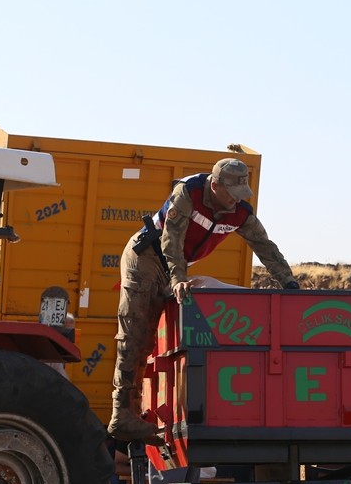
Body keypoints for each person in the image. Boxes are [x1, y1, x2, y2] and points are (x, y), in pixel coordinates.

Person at [108, 158, 299, 443]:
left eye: (241, 194)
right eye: (232, 193)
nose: (236, 201)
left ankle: (143, 413)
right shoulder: (189, 193)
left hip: (174, 267)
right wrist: (177, 279)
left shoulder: (240, 214)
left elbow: (266, 248)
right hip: (147, 257)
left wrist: (290, 284)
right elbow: (171, 240)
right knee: (135, 332)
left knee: (154, 342)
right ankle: (122, 414)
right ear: (215, 185)